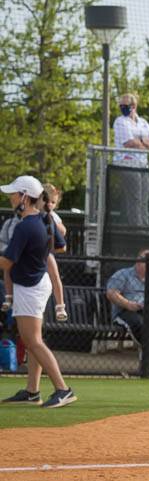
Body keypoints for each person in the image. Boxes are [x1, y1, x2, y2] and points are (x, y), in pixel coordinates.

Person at [0, 175, 74, 409]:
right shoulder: (44, 219)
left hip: (30, 287)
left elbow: (5, 263)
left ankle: (64, 389)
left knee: (32, 340)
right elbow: (60, 246)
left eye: (14, 193)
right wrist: (37, 253)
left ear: (24, 197)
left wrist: (31, 254)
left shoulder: (25, 226)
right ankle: (32, 391)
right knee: (32, 340)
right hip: (36, 282)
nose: (10, 197)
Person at [112, 92, 149, 229]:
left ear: (134, 106)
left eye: (125, 105)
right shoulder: (120, 121)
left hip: (143, 164)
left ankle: (145, 226)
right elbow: (129, 142)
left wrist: (141, 141)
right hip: (127, 163)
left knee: (144, 199)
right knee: (135, 197)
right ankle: (136, 228)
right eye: (120, 105)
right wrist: (145, 142)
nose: (122, 108)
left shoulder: (143, 122)